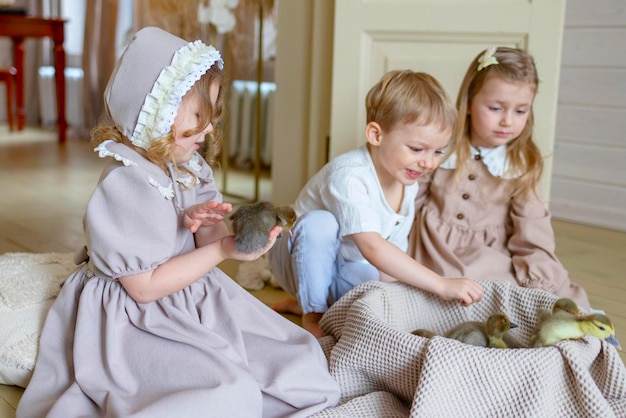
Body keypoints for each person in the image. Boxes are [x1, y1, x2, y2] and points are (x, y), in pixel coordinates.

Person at [17, 26, 340, 418]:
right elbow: (144, 288)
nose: (208, 130)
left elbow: (208, 240)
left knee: (298, 363)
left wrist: (227, 237)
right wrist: (221, 251)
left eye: (212, 118)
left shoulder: (189, 167)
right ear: (158, 112)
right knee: (226, 392)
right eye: (200, 117)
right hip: (136, 320)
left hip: (195, 296)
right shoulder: (124, 186)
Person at [268, 70, 484, 337]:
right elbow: (371, 246)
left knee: (373, 286)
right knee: (320, 223)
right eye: (417, 149)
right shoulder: (349, 174)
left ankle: (317, 305)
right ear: (376, 135)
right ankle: (313, 314)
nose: (428, 162)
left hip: (344, 262)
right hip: (297, 257)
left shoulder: (408, 184)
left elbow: (390, 262)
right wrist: (440, 284)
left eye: (438, 151)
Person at [409, 46, 590, 310]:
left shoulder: (521, 163)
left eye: (520, 111)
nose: (507, 121)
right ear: (469, 102)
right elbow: (409, 199)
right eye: (496, 108)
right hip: (430, 249)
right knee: (420, 292)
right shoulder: (442, 146)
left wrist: (540, 281)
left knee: (507, 298)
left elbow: (532, 233)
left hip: (488, 256)